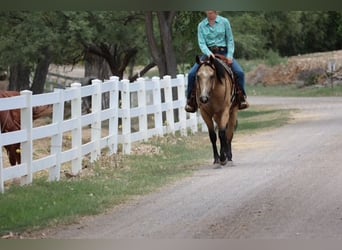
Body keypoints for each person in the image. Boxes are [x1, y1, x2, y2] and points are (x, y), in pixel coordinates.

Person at [185, 11, 249, 112]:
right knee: (192, 74)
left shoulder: (224, 22)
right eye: (208, 12)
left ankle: (241, 98)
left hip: (223, 53)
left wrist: (230, 55)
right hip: (208, 54)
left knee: (239, 72)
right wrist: (209, 53)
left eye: (212, 12)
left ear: (216, 12)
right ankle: (190, 101)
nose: (210, 14)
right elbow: (201, 43)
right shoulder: (201, 25)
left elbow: (230, 40)